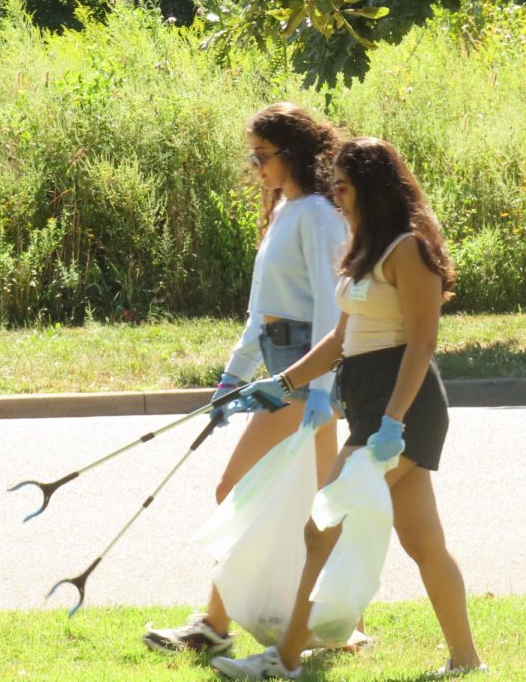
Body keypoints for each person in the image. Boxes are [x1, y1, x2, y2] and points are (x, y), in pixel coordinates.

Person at [211, 136, 486, 679]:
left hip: (401, 407)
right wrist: (279, 382)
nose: (334, 190)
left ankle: (282, 660)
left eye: (342, 181)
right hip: (366, 403)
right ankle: (467, 661)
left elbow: (420, 345)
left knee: (321, 527)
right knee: (424, 543)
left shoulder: (409, 249)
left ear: (372, 185)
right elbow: (340, 339)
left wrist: (391, 422)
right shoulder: (363, 248)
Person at [143, 103, 349, 656]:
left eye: (262, 156)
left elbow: (334, 315)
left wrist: (319, 394)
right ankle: (326, 626)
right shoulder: (285, 210)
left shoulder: (319, 218)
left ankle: (216, 627)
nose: (254, 166)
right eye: (251, 156)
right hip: (287, 369)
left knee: (235, 492)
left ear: (292, 154)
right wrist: (227, 381)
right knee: (317, 512)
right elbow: (262, 315)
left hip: (304, 377)